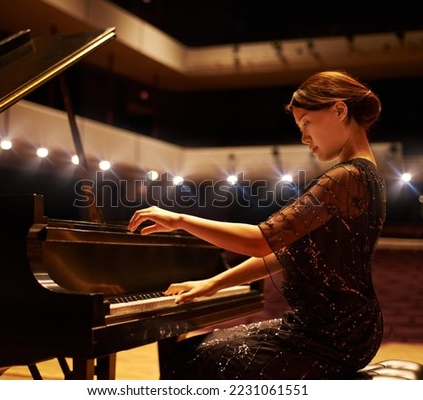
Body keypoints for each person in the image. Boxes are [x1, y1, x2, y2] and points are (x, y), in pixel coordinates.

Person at [128, 70, 386, 379]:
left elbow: (263, 240)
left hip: (331, 336)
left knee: (191, 358)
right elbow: (283, 253)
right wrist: (212, 283)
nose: (304, 137)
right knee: (194, 349)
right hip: (342, 328)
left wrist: (179, 219)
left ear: (340, 110)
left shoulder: (347, 177)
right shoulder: (365, 174)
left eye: (306, 123)